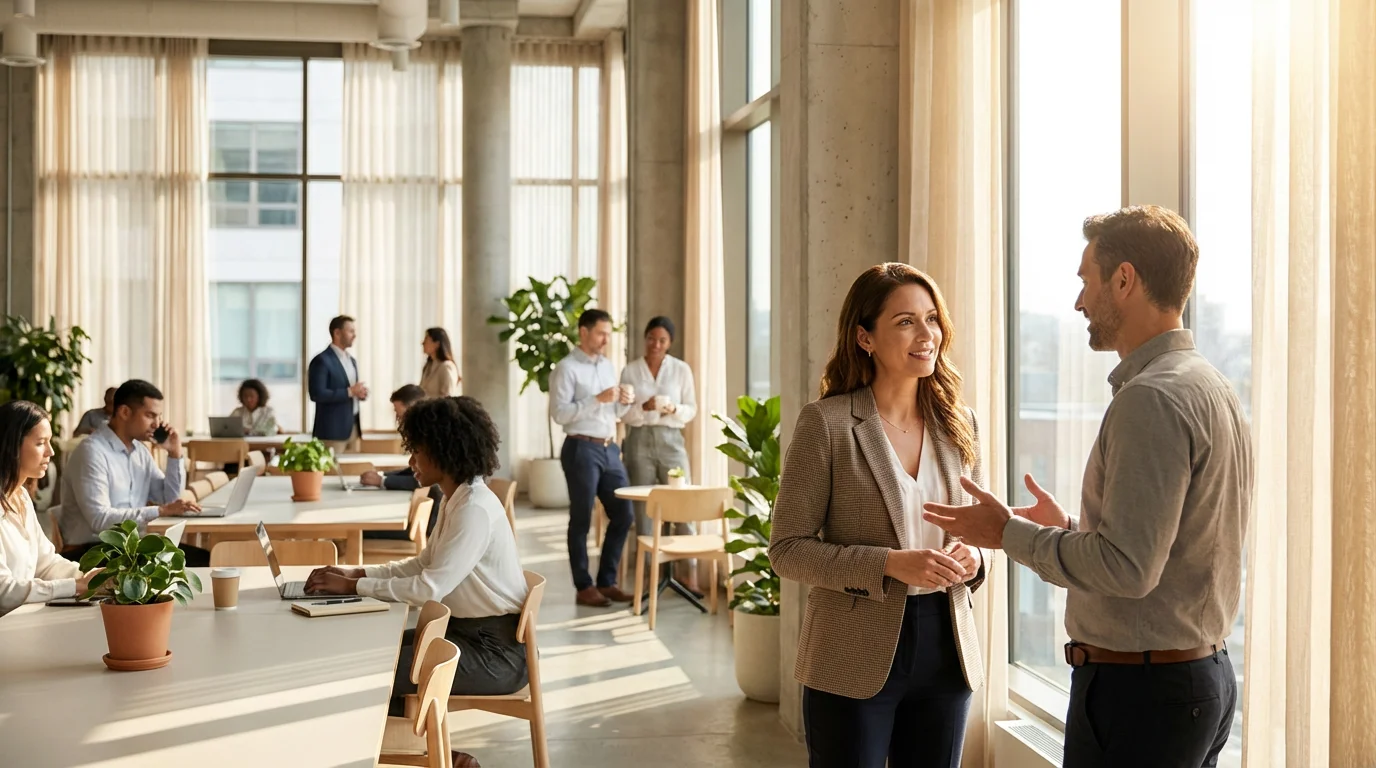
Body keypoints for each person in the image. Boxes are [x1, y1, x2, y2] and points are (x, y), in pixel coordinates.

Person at [922, 206, 1251, 768]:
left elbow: (1127, 569)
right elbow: (1167, 547)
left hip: (1142, 697)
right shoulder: (1209, 384)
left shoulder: (1152, 399)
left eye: (1085, 279)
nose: (1078, 301)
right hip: (1193, 683)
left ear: (1124, 280)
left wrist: (1008, 534)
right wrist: (1074, 531)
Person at [769, 263, 988, 768]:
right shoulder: (827, 424)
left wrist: (975, 557)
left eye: (932, 319)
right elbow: (786, 550)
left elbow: (985, 530)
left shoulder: (960, 424)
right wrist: (889, 563)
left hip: (947, 645)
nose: (926, 334)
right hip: (851, 651)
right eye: (905, 321)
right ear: (865, 337)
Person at [304, 396, 528, 768]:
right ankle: (422, 752)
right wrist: (358, 573)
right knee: (372, 652)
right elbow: (422, 564)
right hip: (467, 635)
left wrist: (355, 588)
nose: (411, 462)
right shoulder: (458, 498)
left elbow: (428, 588)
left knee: (373, 667)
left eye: (418, 451)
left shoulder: (473, 509)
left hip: (495, 653)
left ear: (443, 452)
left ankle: (419, 753)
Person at [56, 380, 209, 567]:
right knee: (199, 562)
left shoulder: (140, 451)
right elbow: (100, 520)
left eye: (159, 416)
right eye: (150, 416)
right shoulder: (92, 452)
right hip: (92, 551)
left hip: (128, 547)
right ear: (125, 412)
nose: (157, 424)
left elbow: (169, 499)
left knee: (204, 558)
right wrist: (160, 511)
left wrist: (174, 454)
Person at [548, 309, 636, 608]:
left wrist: (623, 404)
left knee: (624, 514)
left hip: (609, 447)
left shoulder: (608, 366)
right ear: (583, 332)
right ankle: (583, 586)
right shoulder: (566, 368)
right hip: (580, 447)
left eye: (609, 334)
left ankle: (607, 581)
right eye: (601, 333)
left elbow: (613, 413)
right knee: (582, 517)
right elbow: (560, 414)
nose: (606, 340)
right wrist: (596, 399)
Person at [619, 316, 701, 594]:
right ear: (645, 339)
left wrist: (672, 409)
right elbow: (624, 413)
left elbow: (691, 410)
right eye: (651, 338)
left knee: (683, 503)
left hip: (671, 440)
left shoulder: (680, 370)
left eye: (662, 340)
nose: (656, 344)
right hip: (638, 440)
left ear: (670, 343)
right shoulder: (630, 371)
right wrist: (645, 406)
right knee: (645, 509)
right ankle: (648, 577)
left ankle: (688, 575)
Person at [0, 401, 100, 616]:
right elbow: (3, 592)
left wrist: (93, 577)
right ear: (11, 446)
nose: (51, 451)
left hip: (22, 624)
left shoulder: (21, 496)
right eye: (40, 443)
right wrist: (76, 586)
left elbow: (46, 564)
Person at [361, 385, 443, 541]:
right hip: (422, 520)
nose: (397, 420)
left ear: (413, 409)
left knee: (359, 529)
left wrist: (382, 480)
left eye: (399, 414)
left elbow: (420, 478)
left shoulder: (431, 439)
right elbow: (413, 470)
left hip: (427, 525)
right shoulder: (429, 434)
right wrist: (382, 475)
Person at [309, 315, 369, 455]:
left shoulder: (351, 360)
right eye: (351, 331)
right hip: (331, 432)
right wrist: (349, 392)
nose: (355, 335)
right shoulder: (321, 361)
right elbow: (317, 394)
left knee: (352, 473)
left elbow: (351, 390)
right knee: (332, 475)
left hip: (353, 429)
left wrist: (360, 393)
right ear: (337, 333)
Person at [419, 327, 461, 398]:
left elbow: (448, 395)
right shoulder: (428, 366)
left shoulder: (446, 367)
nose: (423, 343)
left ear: (437, 344)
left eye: (426, 339)